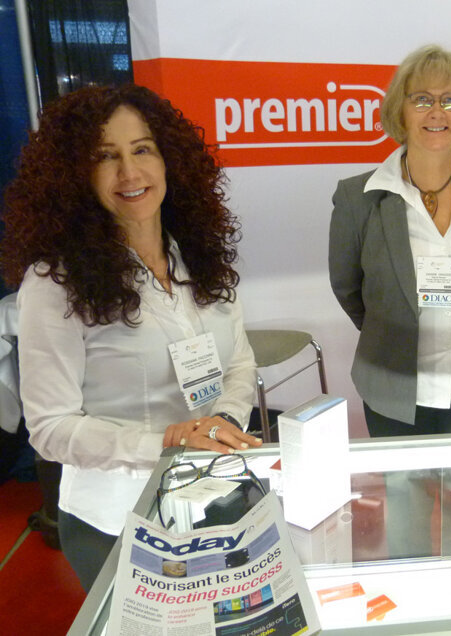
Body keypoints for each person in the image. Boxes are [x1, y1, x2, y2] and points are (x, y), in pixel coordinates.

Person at [0, 84, 260, 590]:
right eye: (105, 157)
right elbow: (50, 428)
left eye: (143, 149)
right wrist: (165, 442)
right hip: (117, 521)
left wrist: (221, 424)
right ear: (77, 175)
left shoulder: (198, 257)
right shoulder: (55, 284)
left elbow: (240, 364)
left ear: (169, 161)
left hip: (213, 498)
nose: (130, 173)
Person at [329, 44, 451, 437]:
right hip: (393, 393)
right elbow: (348, 288)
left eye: (450, 99)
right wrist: (395, 327)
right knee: (403, 500)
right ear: (400, 109)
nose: (437, 111)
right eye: (422, 99)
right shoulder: (358, 198)